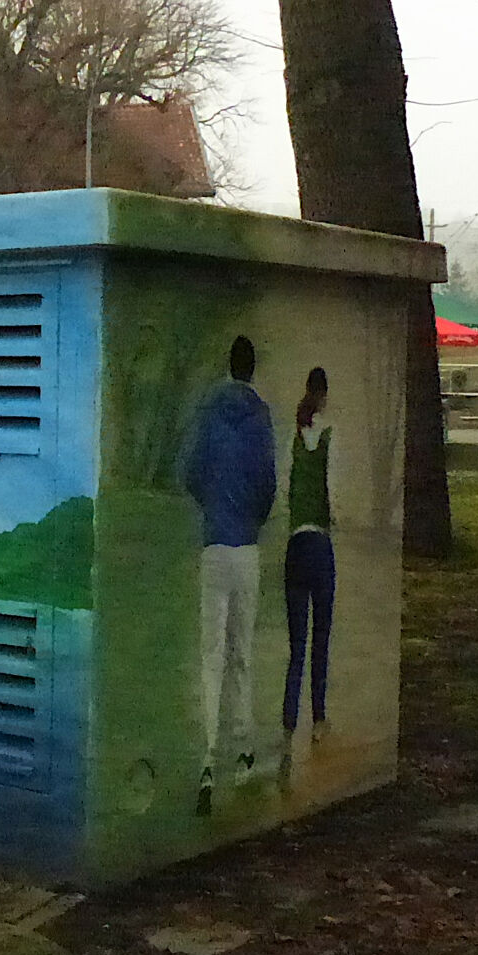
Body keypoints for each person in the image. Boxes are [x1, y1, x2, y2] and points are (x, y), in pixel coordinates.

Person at [182, 335, 277, 814]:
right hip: (246, 549)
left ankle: (204, 757)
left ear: (227, 364)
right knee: (242, 654)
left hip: (213, 545)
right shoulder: (260, 417)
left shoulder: (208, 412)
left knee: (211, 654)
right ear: (253, 368)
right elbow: (268, 485)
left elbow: (190, 472)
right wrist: (250, 519)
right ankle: (242, 753)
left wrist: (213, 509)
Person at [281, 367, 335, 782]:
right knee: (321, 639)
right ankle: (318, 721)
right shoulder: (331, 438)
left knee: (296, 645)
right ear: (325, 396)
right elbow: (334, 497)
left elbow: (288, 494)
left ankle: (287, 727)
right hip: (320, 546)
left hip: (294, 547)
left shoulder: (293, 440)